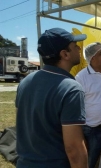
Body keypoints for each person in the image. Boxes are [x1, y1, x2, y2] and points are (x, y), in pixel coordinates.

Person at [15, 28, 88, 168]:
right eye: (75, 46)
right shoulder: (71, 89)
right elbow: (74, 149)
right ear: (65, 54)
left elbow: (22, 126)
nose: (79, 48)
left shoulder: (25, 82)